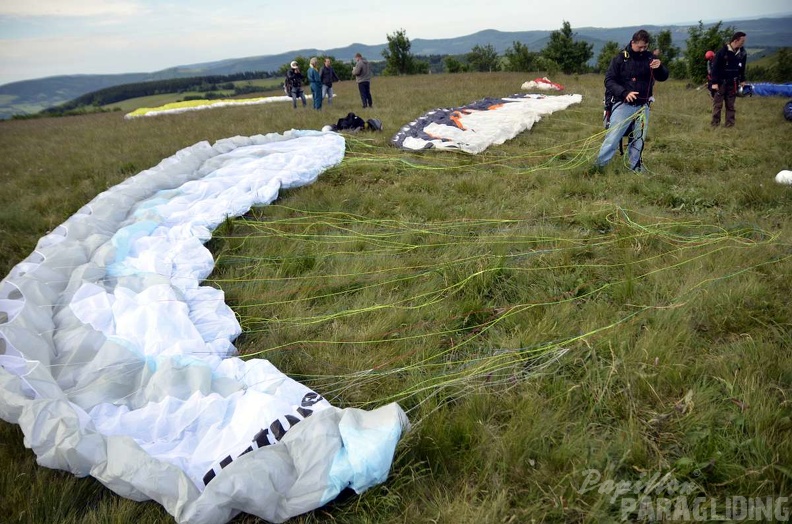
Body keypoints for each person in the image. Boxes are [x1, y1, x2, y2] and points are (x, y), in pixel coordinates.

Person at [594, 29, 669, 172]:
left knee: (638, 138)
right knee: (613, 137)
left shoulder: (650, 58)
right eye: (639, 47)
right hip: (623, 104)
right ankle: (599, 167)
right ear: (632, 42)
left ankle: (635, 167)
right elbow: (609, 80)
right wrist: (624, 93)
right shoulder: (621, 58)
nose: (642, 50)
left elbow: (663, 77)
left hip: (643, 106)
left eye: (645, 47)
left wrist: (660, 68)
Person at [710, 32, 747, 128]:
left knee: (730, 105)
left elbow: (742, 68)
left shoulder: (742, 53)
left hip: (733, 83)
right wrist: (714, 83)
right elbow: (715, 68)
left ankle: (730, 125)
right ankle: (715, 125)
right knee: (717, 105)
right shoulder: (722, 52)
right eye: (742, 41)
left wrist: (742, 79)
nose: (743, 43)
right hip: (721, 83)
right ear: (735, 40)